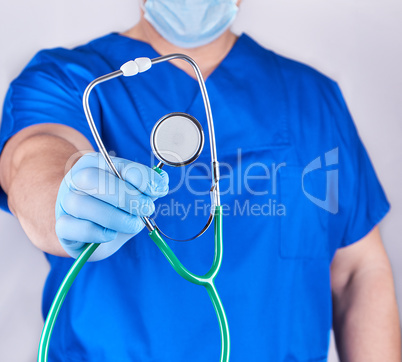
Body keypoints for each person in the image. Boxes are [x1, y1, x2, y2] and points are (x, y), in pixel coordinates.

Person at [0, 0, 400, 360]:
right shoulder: (69, 80)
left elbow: (356, 272)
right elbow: (33, 156)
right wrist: (63, 195)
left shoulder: (312, 97)